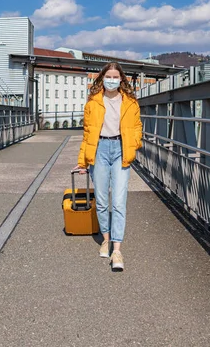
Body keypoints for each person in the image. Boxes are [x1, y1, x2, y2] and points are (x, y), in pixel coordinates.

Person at [73, 62, 142, 270]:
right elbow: (87, 133)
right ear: (102, 78)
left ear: (121, 79)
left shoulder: (130, 102)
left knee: (119, 202)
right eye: (108, 76)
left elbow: (137, 127)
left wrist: (134, 144)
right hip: (99, 149)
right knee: (102, 201)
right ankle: (106, 238)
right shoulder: (93, 102)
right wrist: (82, 161)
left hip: (121, 148)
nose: (112, 80)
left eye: (115, 76)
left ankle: (117, 250)